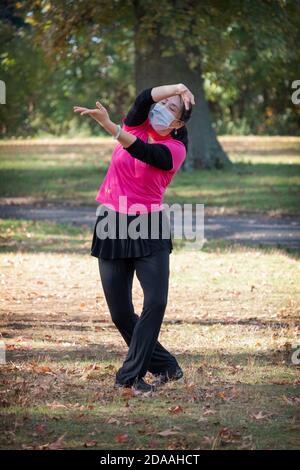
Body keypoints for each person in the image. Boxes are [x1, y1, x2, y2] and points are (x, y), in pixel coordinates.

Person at [73, 83, 195, 393]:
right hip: (111, 223)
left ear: (179, 123)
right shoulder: (136, 124)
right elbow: (144, 98)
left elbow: (142, 151)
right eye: (162, 103)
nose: (161, 109)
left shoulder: (175, 150)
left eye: (172, 109)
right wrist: (177, 88)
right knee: (121, 313)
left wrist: (109, 126)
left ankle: (130, 377)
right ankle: (166, 366)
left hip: (148, 226)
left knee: (155, 300)